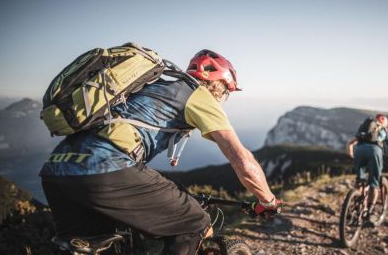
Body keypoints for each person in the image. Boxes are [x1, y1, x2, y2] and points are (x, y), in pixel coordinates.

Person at [39, 49, 281, 255]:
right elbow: (242, 159)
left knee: (100, 240)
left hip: (56, 171)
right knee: (194, 222)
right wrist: (267, 200)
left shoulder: (152, 86)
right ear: (217, 84)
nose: (223, 98)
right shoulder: (198, 95)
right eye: (226, 91)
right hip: (105, 168)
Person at [346, 114, 388, 216]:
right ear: (385, 125)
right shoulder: (384, 132)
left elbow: (350, 144)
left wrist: (351, 156)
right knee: (374, 183)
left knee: (360, 181)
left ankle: (356, 206)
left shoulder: (364, 132)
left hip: (359, 151)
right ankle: (369, 212)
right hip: (375, 152)